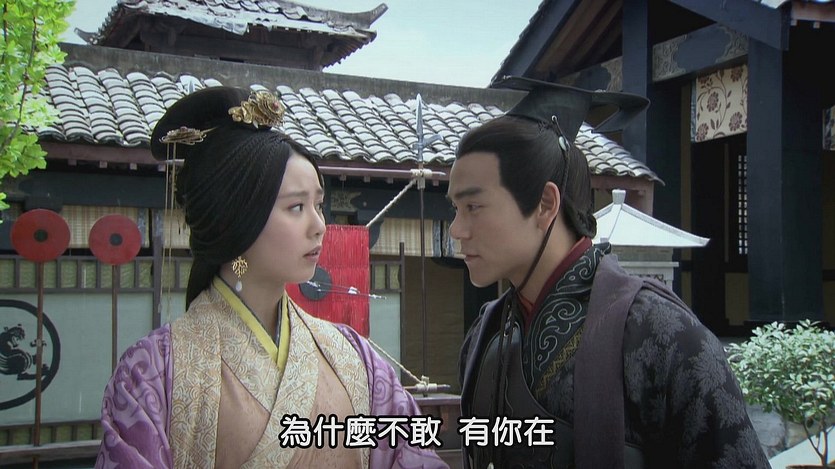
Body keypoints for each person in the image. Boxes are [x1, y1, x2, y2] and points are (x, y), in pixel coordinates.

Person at [96, 86, 449, 469]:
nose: (319, 226)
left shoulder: (353, 357)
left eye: (318, 205)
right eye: (296, 207)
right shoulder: (153, 373)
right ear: (236, 219)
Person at [449, 76, 769, 469]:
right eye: (455, 209)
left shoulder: (662, 334)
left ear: (546, 203)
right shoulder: (484, 337)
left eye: (473, 207)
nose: (456, 229)